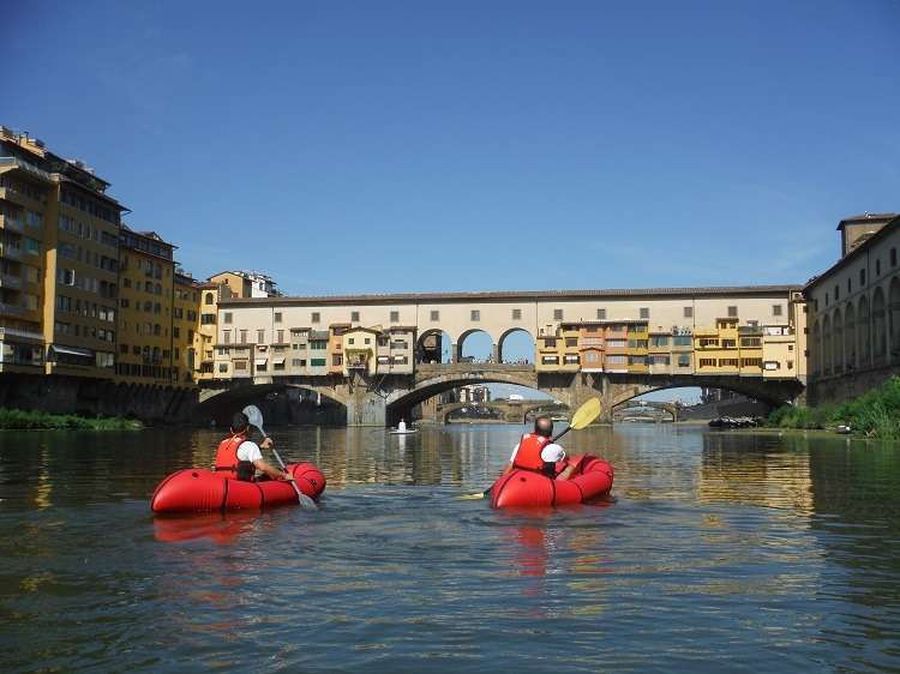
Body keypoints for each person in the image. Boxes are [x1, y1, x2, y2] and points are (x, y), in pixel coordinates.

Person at [213, 411, 293, 482]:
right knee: (276, 472)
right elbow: (263, 467)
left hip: (223, 483)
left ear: (231, 429)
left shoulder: (223, 443)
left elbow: (241, 453)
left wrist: (261, 446)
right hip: (242, 486)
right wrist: (284, 475)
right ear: (248, 428)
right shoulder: (250, 445)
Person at [503, 415, 577, 480]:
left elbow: (510, 466)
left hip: (520, 479)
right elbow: (566, 460)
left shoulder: (519, 445)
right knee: (571, 466)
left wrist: (502, 480)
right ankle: (560, 486)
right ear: (551, 431)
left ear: (535, 430)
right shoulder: (555, 448)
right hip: (542, 483)